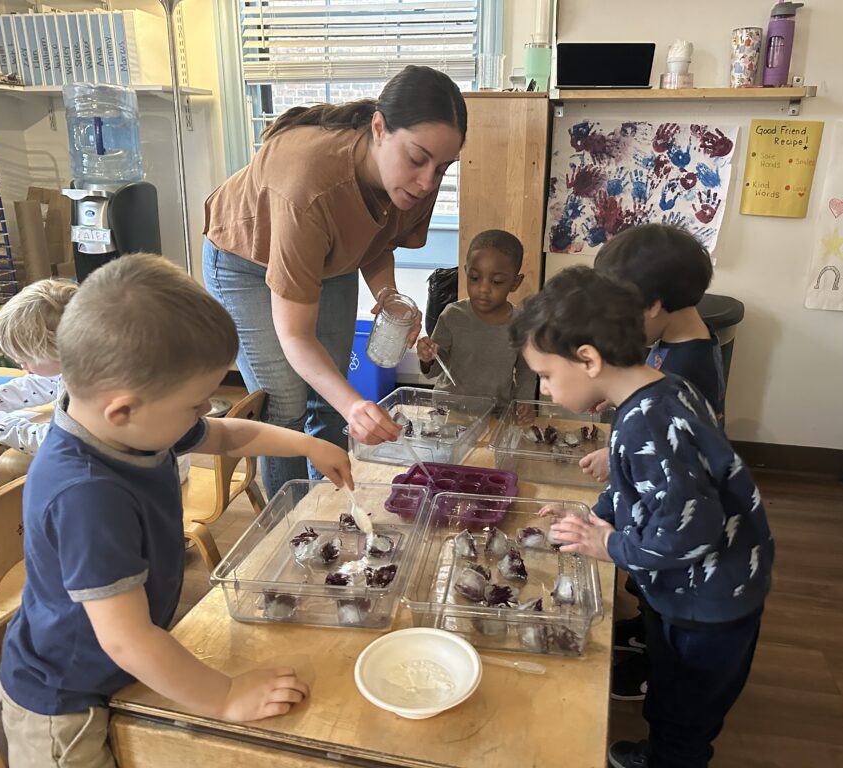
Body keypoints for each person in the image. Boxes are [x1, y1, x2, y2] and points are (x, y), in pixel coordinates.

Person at [0, 254, 354, 768]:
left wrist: (307, 444)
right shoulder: (87, 495)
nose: (204, 412)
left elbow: (228, 434)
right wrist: (225, 696)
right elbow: (127, 640)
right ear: (123, 409)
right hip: (65, 703)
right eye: (195, 404)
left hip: (119, 665)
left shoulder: (131, 427)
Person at [510, 266, 773, 768]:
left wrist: (609, 545)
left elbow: (690, 529)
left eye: (546, 375)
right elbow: (639, 488)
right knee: (672, 692)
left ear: (588, 359)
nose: (544, 391)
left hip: (707, 603)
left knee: (683, 713)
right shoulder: (662, 389)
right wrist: (592, 515)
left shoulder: (643, 423)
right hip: (707, 588)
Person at [202, 64, 467, 497]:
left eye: (442, 168)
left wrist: (387, 294)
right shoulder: (309, 186)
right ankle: (291, 520)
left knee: (330, 401)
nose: (427, 183)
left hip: (328, 256)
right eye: (418, 160)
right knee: (285, 406)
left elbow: (378, 238)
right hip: (246, 259)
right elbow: (296, 336)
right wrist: (355, 405)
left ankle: (331, 509)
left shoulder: (419, 174)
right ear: (378, 128)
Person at [580, 224, 727, 671]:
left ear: (653, 305)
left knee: (664, 589)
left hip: (677, 520)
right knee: (648, 590)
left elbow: (675, 447)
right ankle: (645, 628)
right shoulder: (676, 341)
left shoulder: (689, 365)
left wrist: (617, 457)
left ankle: (654, 662)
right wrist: (619, 396)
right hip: (658, 506)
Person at [0, 279, 77, 483]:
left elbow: (59, 441)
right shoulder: (77, 365)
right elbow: (40, 384)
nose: (21, 366)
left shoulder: (88, 389)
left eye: (25, 359)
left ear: (58, 349)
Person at [416, 229, 537, 405]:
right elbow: (433, 370)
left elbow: (526, 373)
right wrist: (426, 358)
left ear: (515, 283)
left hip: (496, 411)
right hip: (449, 409)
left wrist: (525, 404)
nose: (483, 289)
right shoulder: (453, 316)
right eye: (474, 278)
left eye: (496, 281)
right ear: (466, 272)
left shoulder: (522, 325)